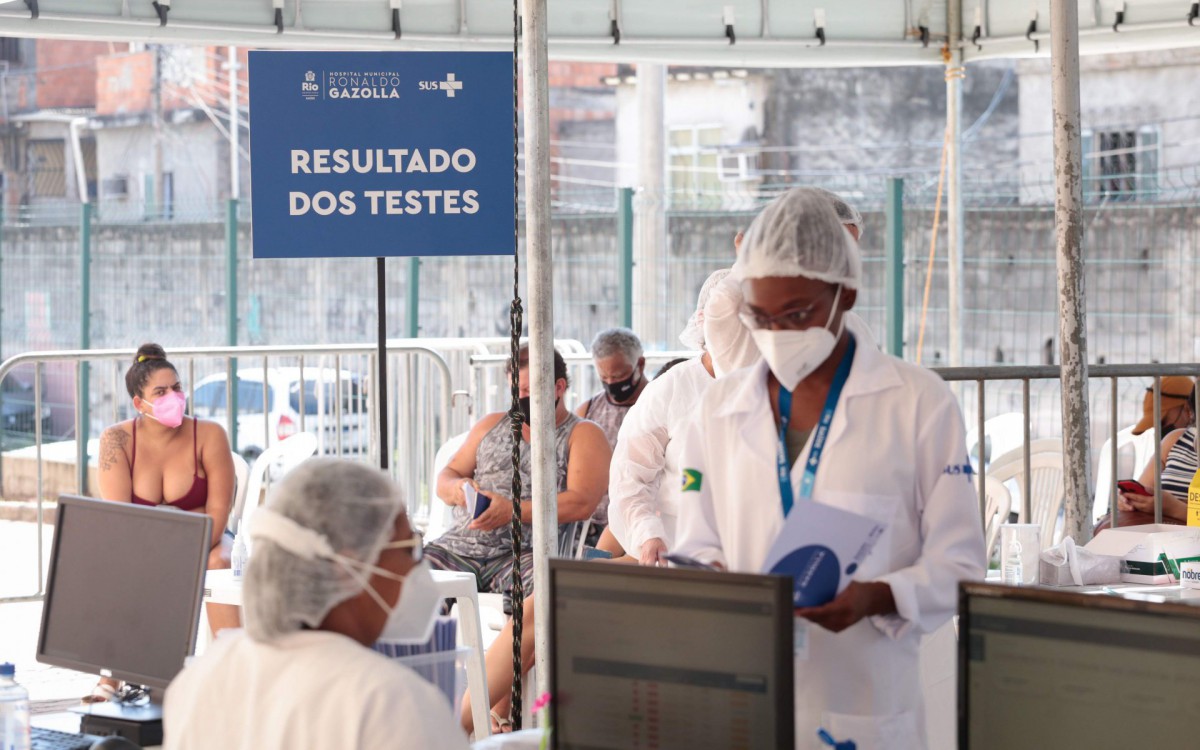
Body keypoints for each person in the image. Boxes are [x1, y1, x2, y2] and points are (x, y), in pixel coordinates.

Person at [674, 187, 985, 750]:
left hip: (864, 704)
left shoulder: (917, 402)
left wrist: (878, 596)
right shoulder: (717, 411)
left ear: (847, 293)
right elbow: (697, 543)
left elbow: (961, 564)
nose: (777, 333)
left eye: (798, 314)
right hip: (745, 700)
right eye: (759, 315)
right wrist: (713, 586)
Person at [163, 458, 468, 749]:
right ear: (350, 566)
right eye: (409, 547)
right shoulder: (394, 705)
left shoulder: (202, 677)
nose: (418, 566)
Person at [94, 343, 237, 702]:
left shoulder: (209, 435)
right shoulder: (117, 440)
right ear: (138, 402)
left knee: (220, 562)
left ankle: (234, 674)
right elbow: (121, 519)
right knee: (116, 565)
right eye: (160, 392)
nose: (173, 396)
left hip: (208, 540)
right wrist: (166, 541)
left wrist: (178, 545)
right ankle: (110, 678)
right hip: (140, 543)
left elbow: (218, 514)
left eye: (176, 388)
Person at [425, 343, 610, 595]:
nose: (520, 398)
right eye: (515, 390)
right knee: (405, 581)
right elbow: (446, 477)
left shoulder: (583, 434)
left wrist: (512, 511)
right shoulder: (490, 424)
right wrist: (459, 489)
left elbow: (582, 503)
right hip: (458, 548)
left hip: (527, 554)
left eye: (528, 391)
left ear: (559, 387)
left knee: (545, 594)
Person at [608, 264, 760, 566]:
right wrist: (647, 533)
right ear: (709, 324)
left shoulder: (777, 386)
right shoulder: (671, 390)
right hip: (679, 551)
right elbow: (631, 477)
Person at [1117, 378, 1196, 523]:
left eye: (1162, 422)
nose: (1156, 431)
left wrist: (1175, 509)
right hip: (1154, 539)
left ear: (1187, 410)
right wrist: (1128, 500)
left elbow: (1166, 506)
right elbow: (1143, 491)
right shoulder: (1175, 440)